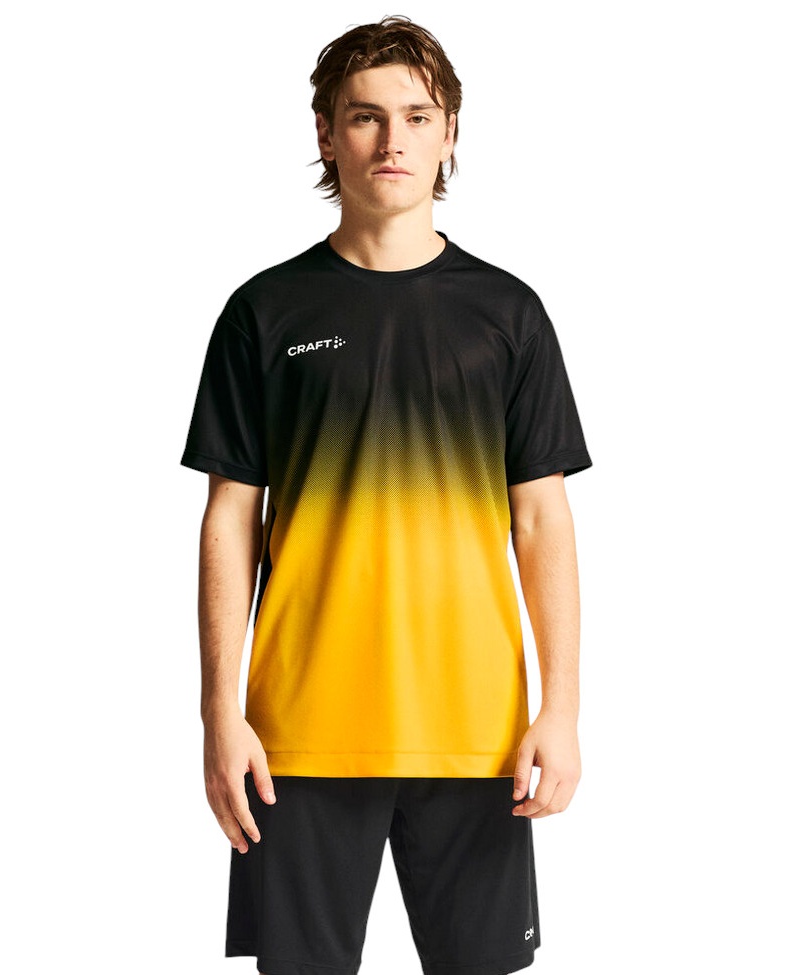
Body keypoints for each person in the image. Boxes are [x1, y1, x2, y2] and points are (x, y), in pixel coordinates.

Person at [180, 15, 593, 975]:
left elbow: (541, 518)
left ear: (449, 134)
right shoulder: (263, 312)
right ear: (327, 134)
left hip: (477, 733)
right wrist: (218, 712)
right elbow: (230, 517)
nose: (392, 140)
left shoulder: (507, 313)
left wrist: (562, 708)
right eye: (365, 116)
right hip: (296, 738)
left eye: (417, 116)